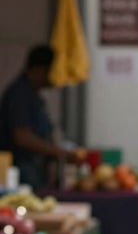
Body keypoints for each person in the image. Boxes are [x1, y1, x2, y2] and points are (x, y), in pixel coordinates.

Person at [0, 44, 81, 192]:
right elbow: (22, 136)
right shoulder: (20, 95)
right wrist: (59, 152)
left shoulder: (32, 95)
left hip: (35, 169)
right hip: (22, 171)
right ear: (41, 69)